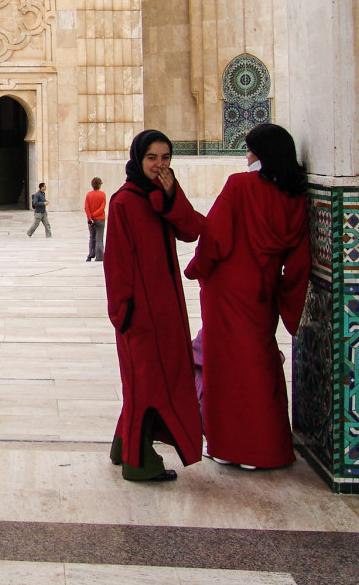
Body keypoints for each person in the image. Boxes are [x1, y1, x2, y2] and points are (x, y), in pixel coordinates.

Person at [184, 123, 311, 471]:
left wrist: (197, 269)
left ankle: (229, 446)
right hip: (263, 291)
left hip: (226, 291)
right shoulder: (295, 197)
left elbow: (214, 238)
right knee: (261, 364)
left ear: (261, 153)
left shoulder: (239, 186)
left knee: (226, 369)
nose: (247, 154)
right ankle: (267, 448)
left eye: (250, 148)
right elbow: (299, 260)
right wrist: (288, 301)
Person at [104, 130, 205, 482]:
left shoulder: (162, 195)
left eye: (165, 158)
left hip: (168, 312)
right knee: (145, 385)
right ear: (137, 159)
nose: (159, 165)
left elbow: (193, 230)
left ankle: (123, 446)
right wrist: (122, 312)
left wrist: (172, 193)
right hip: (138, 315)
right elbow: (115, 262)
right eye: (152, 158)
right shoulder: (124, 201)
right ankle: (139, 462)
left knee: (149, 382)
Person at [84, 177, 106, 261]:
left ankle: (91, 255)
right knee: (99, 239)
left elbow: (86, 208)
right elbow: (102, 207)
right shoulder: (102, 194)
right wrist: (95, 215)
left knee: (92, 237)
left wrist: (91, 217)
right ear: (99, 185)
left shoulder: (89, 195)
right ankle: (100, 257)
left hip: (91, 220)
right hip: (100, 219)